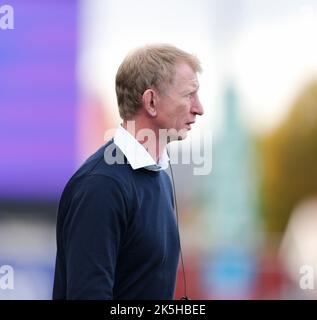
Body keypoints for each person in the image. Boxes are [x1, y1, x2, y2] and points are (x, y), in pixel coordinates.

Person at [52, 43, 204, 300]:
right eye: (189, 95)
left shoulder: (161, 180)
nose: (199, 108)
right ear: (151, 102)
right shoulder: (100, 186)